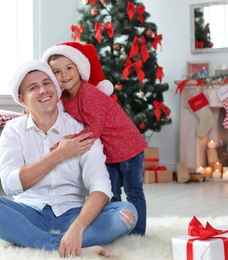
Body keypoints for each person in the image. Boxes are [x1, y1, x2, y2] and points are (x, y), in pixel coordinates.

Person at [0, 60, 138, 258]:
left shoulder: (82, 129)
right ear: (22, 99)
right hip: (29, 213)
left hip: (74, 214)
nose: (43, 90)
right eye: (34, 87)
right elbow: (10, 184)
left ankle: (32, 241)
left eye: (47, 83)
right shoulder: (13, 130)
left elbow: (101, 188)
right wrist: (59, 154)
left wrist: (78, 227)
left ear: (56, 88)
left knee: (126, 213)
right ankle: (62, 246)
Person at [41, 42, 147, 236]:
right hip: (110, 152)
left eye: (69, 68)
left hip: (129, 148)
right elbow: (55, 111)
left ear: (79, 68)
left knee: (133, 192)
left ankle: (137, 234)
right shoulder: (65, 97)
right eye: (57, 72)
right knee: (111, 193)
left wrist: (66, 144)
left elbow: (94, 129)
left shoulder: (88, 94)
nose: (64, 75)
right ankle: (119, 228)